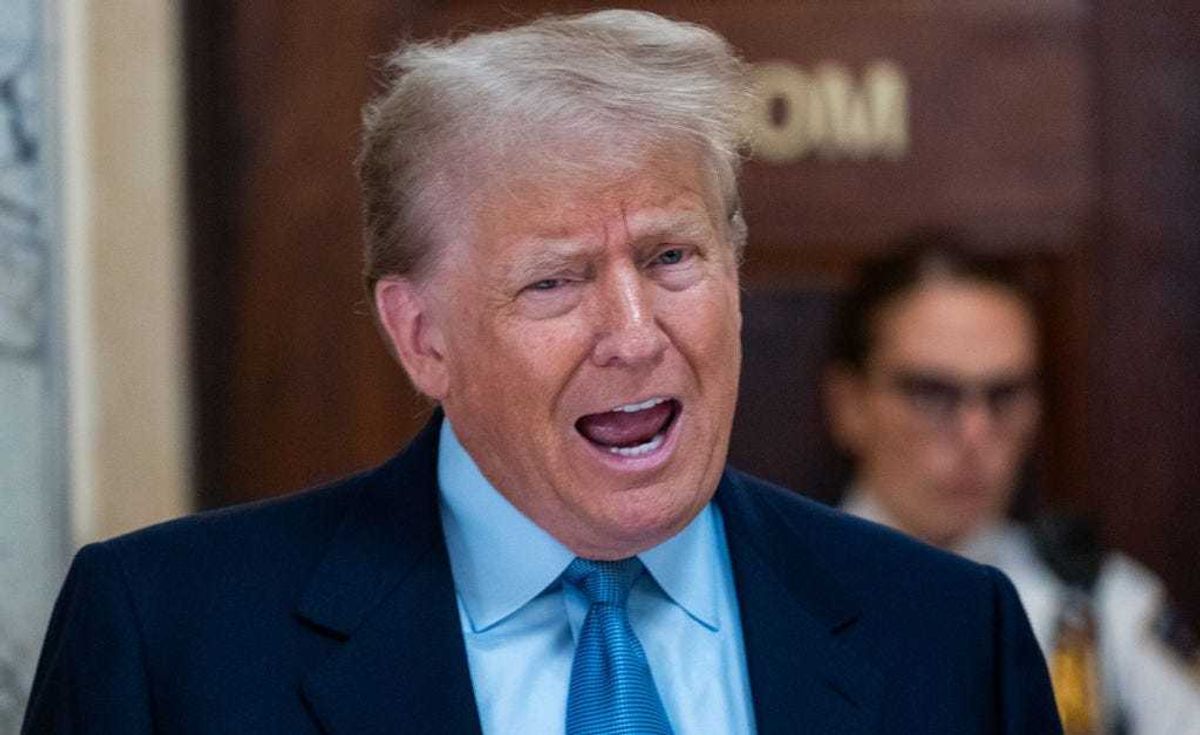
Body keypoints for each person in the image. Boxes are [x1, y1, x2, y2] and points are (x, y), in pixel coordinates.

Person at [24, 11, 1061, 734]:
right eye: (556, 282)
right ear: (421, 336)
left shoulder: (948, 635)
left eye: (670, 258)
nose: (634, 332)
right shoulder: (170, 644)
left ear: (734, 273)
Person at [825, 234, 1200, 734]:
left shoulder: (1099, 603)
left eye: (1005, 395)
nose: (975, 433)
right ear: (849, 404)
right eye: (933, 393)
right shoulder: (774, 593)